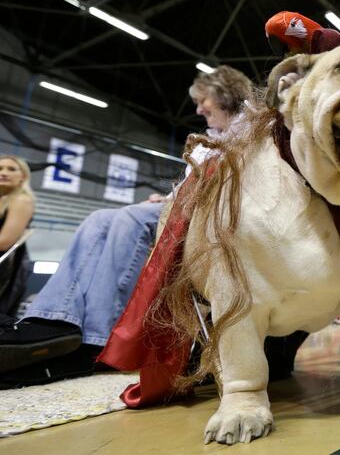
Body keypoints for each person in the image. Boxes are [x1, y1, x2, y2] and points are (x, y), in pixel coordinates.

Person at [0, 66, 254, 386]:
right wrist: (166, 198)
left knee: (130, 218)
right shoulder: (207, 141)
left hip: (217, 216)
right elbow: (188, 186)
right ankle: (52, 319)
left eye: (204, 100)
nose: (198, 108)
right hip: (181, 208)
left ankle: (100, 334)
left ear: (225, 94)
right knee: (99, 218)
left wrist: (176, 203)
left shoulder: (250, 129)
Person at [0, 155, 35, 316]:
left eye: (11, 169)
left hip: (6, 266)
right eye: (0, 169)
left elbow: (4, 242)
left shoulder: (21, 200)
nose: (4, 173)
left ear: (22, 176)